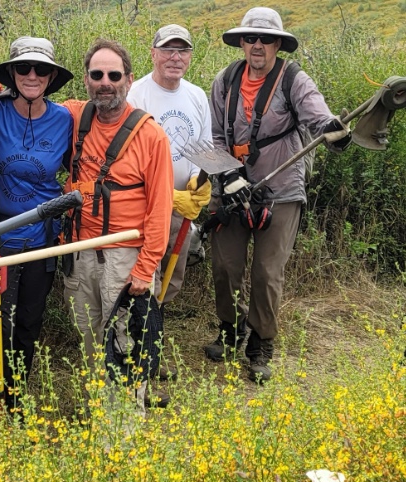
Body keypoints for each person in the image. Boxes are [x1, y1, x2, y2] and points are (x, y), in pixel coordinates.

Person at [205, 7, 350, 382]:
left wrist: (332, 129)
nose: (257, 45)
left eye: (265, 39)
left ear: (277, 44)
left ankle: (260, 342)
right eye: (250, 38)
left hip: (281, 189)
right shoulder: (225, 80)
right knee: (225, 266)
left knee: (267, 272)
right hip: (233, 188)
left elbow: (319, 116)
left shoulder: (294, 80)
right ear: (241, 42)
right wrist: (230, 175)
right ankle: (230, 329)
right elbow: (217, 137)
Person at [61, 40, 174, 406]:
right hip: (79, 254)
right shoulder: (75, 116)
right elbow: (30, 103)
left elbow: (160, 209)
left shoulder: (150, 135)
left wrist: (145, 270)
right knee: (91, 343)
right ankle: (103, 416)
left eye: (113, 75)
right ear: (86, 79)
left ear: (128, 79)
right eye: (97, 75)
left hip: (125, 261)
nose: (104, 82)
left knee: (124, 346)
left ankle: (123, 437)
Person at [0, 36, 75, 428]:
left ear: (51, 76)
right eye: (24, 68)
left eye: (41, 69)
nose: (32, 75)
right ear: (11, 74)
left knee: (28, 325)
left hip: (40, 243)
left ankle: (14, 398)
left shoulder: (65, 118)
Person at [126, 24, 212, 383]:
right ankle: (136, 359)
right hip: (145, 208)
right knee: (143, 282)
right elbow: (127, 155)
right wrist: (162, 194)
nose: (175, 58)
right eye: (168, 50)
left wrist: (198, 181)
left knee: (167, 286)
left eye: (183, 51)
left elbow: (203, 147)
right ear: (153, 53)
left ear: (190, 56)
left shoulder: (196, 96)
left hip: (182, 210)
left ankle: (149, 354)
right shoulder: (136, 94)